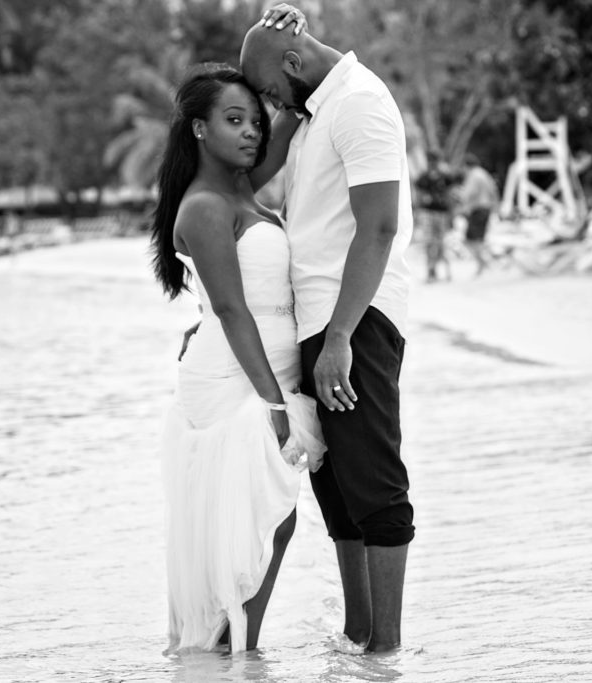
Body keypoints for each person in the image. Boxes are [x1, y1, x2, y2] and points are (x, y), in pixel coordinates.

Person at [240, 5, 416, 653]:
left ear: (291, 65)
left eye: (266, 91)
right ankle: (359, 639)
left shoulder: (361, 103)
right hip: (319, 321)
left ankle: (388, 650)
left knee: (374, 483)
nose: (264, 106)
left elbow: (380, 228)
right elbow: (246, 182)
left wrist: (341, 336)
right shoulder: (315, 110)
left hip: (357, 318)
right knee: (338, 491)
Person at [153, 61, 325, 655]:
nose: (251, 131)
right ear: (199, 129)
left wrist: (288, 35)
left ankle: (232, 651)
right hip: (235, 378)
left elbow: (292, 110)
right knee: (264, 521)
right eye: (233, 120)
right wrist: (273, 402)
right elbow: (230, 309)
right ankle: (233, 653)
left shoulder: (243, 190)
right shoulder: (205, 206)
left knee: (268, 520)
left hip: (261, 368)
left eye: (253, 120)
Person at [415, 151, 458, 282]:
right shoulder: (424, 178)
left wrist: (452, 215)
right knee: (430, 243)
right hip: (429, 213)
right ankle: (432, 271)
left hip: (440, 213)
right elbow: (419, 196)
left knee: (441, 243)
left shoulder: (445, 177)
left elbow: (450, 196)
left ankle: (443, 271)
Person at [458, 153, 499, 276]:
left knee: (471, 239)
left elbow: (468, 194)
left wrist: (458, 195)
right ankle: (484, 264)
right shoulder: (484, 174)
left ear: (466, 165)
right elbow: (494, 191)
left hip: (478, 209)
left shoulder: (474, 175)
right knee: (479, 239)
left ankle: (484, 263)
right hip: (486, 208)